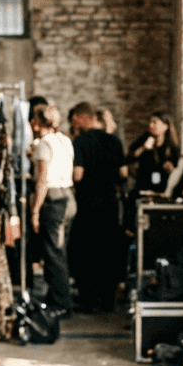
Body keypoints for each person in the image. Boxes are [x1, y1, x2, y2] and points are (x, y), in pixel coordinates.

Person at [68, 101, 126, 312]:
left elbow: (78, 174)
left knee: (87, 251)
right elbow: (123, 173)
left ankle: (88, 300)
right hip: (110, 203)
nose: (74, 123)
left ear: (85, 118)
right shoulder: (115, 141)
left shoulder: (80, 141)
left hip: (87, 203)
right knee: (107, 250)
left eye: (76, 119)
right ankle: (108, 300)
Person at [29, 104, 77, 318]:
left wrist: (35, 210)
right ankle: (55, 297)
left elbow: (43, 180)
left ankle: (61, 304)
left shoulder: (44, 144)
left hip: (54, 201)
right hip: (68, 198)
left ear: (37, 123)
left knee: (54, 254)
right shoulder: (64, 140)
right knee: (60, 251)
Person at [123, 112, 180, 233]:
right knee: (131, 200)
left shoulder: (172, 147)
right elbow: (130, 158)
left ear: (166, 126)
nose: (151, 125)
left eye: (155, 122)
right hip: (143, 186)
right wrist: (144, 148)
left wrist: (171, 169)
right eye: (150, 122)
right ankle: (130, 232)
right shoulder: (145, 140)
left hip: (162, 190)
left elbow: (177, 170)